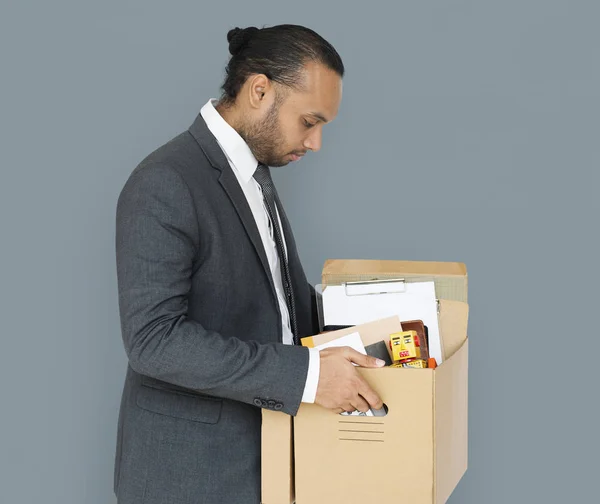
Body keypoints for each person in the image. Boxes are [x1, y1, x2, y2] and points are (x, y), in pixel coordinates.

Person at [113, 24, 385, 504]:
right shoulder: (166, 181)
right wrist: (308, 377)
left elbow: (281, 303)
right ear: (260, 90)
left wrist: (393, 324)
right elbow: (154, 341)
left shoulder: (253, 172)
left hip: (268, 459)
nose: (316, 142)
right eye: (309, 121)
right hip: (190, 478)